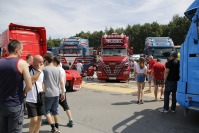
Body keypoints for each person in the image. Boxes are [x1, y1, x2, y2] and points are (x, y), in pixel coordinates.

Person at [0, 40, 32, 133]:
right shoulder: (22, 63)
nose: (22, 52)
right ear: (17, 50)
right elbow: (29, 85)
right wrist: (23, 92)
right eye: (21, 50)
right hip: (15, 103)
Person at [43, 53, 65, 133]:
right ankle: (57, 127)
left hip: (48, 93)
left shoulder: (44, 70)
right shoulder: (57, 69)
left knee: (47, 111)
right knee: (55, 110)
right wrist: (63, 92)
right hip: (57, 92)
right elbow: (61, 82)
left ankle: (53, 128)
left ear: (46, 60)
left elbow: (42, 83)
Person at [53, 56, 74, 127]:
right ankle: (71, 120)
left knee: (52, 106)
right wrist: (63, 90)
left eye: (53, 62)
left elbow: (60, 82)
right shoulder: (62, 70)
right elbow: (64, 81)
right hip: (62, 90)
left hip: (57, 91)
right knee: (65, 106)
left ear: (55, 62)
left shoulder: (56, 70)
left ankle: (50, 120)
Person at [26, 55, 45, 133]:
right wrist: (39, 71)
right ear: (34, 62)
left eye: (42, 62)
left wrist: (43, 92)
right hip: (30, 98)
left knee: (40, 118)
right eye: (39, 62)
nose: (41, 64)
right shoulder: (28, 69)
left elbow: (41, 83)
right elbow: (31, 82)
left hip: (40, 96)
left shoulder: (41, 71)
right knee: (34, 119)